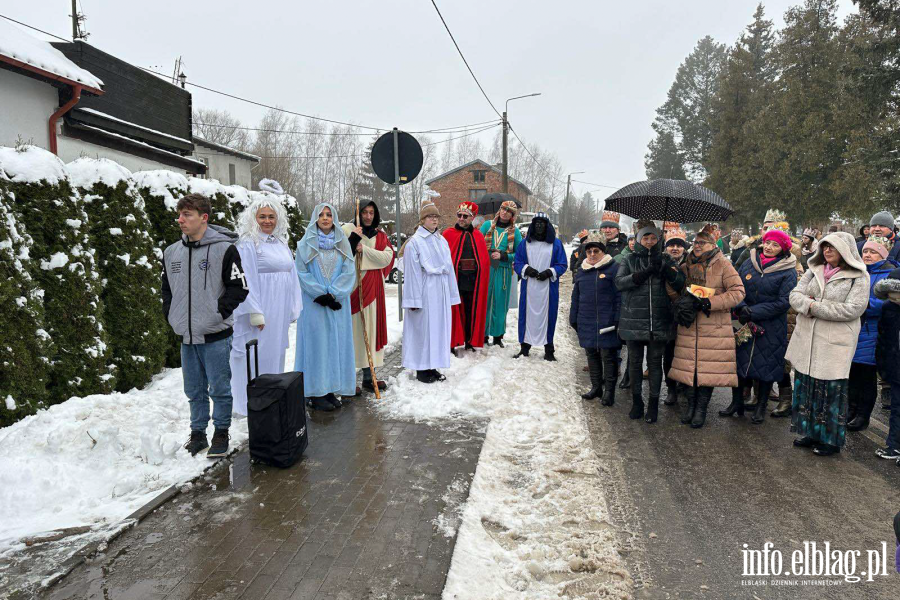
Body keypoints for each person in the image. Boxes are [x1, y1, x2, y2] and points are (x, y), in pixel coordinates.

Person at [161, 193, 248, 457]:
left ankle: (221, 432)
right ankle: (197, 433)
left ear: (204, 217)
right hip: (186, 335)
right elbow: (166, 290)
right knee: (194, 389)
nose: (181, 220)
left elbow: (239, 288)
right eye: (180, 214)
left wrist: (216, 314)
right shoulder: (171, 252)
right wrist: (171, 315)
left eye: (187, 214)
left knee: (219, 388)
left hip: (215, 334)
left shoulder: (225, 249)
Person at [785, 232, 869, 456]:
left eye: (833, 247)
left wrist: (814, 307)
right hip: (808, 338)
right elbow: (795, 295)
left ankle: (830, 440)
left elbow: (853, 309)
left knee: (830, 391)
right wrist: (807, 304)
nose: (827, 251)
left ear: (846, 250)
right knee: (807, 387)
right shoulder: (814, 270)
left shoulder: (858, 276)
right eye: (825, 247)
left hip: (834, 342)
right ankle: (810, 432)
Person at [229, 194, 302, 416]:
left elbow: (292, 275)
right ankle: (245, 405)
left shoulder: (280, 243)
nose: (267, 221)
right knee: (254, 354)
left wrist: (293, 306)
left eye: (271, 216)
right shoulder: (248, 243)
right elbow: (245, 278)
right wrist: (254, 311)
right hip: (261, 310)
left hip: (279, 309)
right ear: (253, 218)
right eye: (262, 216)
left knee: (274, 353)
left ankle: (271, 396)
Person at [668, 224, 745, 428]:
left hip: (713, 325)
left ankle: (701, 409)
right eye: (695, 242)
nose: (697, 246)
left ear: (713, 244)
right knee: (689, 369)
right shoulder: (686, 265)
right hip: (689, 324)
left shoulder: (723, 264)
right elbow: (677, 293)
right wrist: (669, 280)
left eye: (702, 242)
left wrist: (711, 302)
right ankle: (691, 406)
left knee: (707, 370)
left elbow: (738, 292)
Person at [722, 229, 797, 423]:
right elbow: (735, 286)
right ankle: (736, 402)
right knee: (738, 362)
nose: (770, 248)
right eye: (768, 243)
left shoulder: (788, 270)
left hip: (771, 324)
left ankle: (761, 406)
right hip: (742, 320)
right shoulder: (749, 262)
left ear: (784, 248)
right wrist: (741, 306)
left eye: (776, 245)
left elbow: (783, 302)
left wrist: (754, 311)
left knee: (767, 365)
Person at [615, 225, 685, 422]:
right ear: (638, 240)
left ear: (658, 240)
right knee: (635, 364)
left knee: (655, 364)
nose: (649, 242)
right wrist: (644, 273)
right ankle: (637, 402)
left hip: (660, 320)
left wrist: (665, 270)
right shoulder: (629, 258)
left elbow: (680, 282)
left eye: (653, 238)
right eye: (645, 238)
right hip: (633, 319)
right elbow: (619, 282)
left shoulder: (666, 259)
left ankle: (653, 404)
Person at [294, 203, 356, 411]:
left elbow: (349, 271)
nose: (325, 218)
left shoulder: (343, 243)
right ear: (315, 218)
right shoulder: (305, 244)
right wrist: (320, 293)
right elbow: (301, 272)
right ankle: (315, 392)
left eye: (329, 214)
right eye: (321, 214)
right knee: (317, 346)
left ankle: (330, 389)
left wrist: (335, 293)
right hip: (315, 304)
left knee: (335, 345)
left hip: (337, 304)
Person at [401, 200, 461, 383]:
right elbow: (412, 273)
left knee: (437, 329)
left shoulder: (441, 240)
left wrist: (451, 293)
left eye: (436, 216)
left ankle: (433, 364)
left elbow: (449, 268)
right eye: (430, 217)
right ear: (422, 220)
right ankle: (421, 368)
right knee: (423, 329)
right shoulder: (415, 243)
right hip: (425, 291)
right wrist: (413, 300)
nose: (434, 220)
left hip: (440, 291)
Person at [343, 200, 395, 394]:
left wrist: (364, 251)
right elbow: (342, 255)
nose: (368, 216)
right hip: (354, 288)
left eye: (371, 212)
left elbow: (387, 258)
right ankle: (348, 378)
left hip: (375, 290)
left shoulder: (380, 235)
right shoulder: (348, 230)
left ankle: (368, 376)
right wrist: (354, 243)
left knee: (371, 331)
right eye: (364, 212)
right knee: (354, 332)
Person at [847, 236, 898, 431]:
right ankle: (851, 410)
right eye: (866, 251)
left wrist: (863, 305)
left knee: (866, 376)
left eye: (873, 252)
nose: (867, 255)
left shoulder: (889, 274)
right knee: (852, 375)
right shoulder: (858, 271)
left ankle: (863, 415)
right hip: (854, 330)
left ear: (883, 254)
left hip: (872, 331)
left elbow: (888, 302)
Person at [570, 232, 621, 405]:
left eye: (596, 251)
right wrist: (573, 316)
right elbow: (576, 296)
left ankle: (609, 392)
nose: (592, 255)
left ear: (603, 252)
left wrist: (617, 318)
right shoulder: (582, 270)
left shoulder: (614, 268)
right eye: (589, 251)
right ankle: (596, 387)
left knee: (608, 356)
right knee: (591, 354)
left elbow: (619, 296)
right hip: (586, 319)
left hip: (607, 321)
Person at [513, 212, 568, 360]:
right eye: (536, 223)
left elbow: (562, 264)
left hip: (548, 290)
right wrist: (527, 269)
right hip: (529, 289)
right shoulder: (525, 243)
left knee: (549, 317)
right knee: (526, 316)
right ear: (532, 226)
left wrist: (549, 272)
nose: (539, 226)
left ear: (547, 226)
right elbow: (517, 262)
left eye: (542, 224)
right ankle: (524, 347)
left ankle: (549, 350)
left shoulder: (556, 244)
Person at [443, 201, 490, 354]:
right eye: (459, 215)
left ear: (472, 218)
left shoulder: (477, 235)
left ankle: (469, 341)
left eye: (465, 216)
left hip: (472, 282)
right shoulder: (448, 234)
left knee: (470, 311)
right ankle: (451, 342)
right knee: (452, 311)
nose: (461, 218)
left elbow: (483, 260)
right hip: (454, 281)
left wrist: (478, 267)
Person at [480, 200, 522, 347]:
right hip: (486, 270)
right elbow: (477, 244)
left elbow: (519, 253)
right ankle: (483, 335)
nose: (505, 212)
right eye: (503, 209)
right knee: (484, 302)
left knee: (500, 304)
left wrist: (504, 256)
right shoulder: (487, 225)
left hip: (503, 271)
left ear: (512, 215)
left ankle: (497, 336)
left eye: (508, 211)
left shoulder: (514, 231)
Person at [873, 268, 900, 460]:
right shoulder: (887, 308)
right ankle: (894, 445)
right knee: (897, 408)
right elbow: (883, 339)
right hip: (895, 365)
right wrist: (883, 365)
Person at [662, 228, 689, 406]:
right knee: (669, 354)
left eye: (679, 245)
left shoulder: (692, 263)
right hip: (666, 314)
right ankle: (671, 388)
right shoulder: (661, 261)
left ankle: (685, 385)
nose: (675, 248)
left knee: (686, 353)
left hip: (687, 315)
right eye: (671, 244)